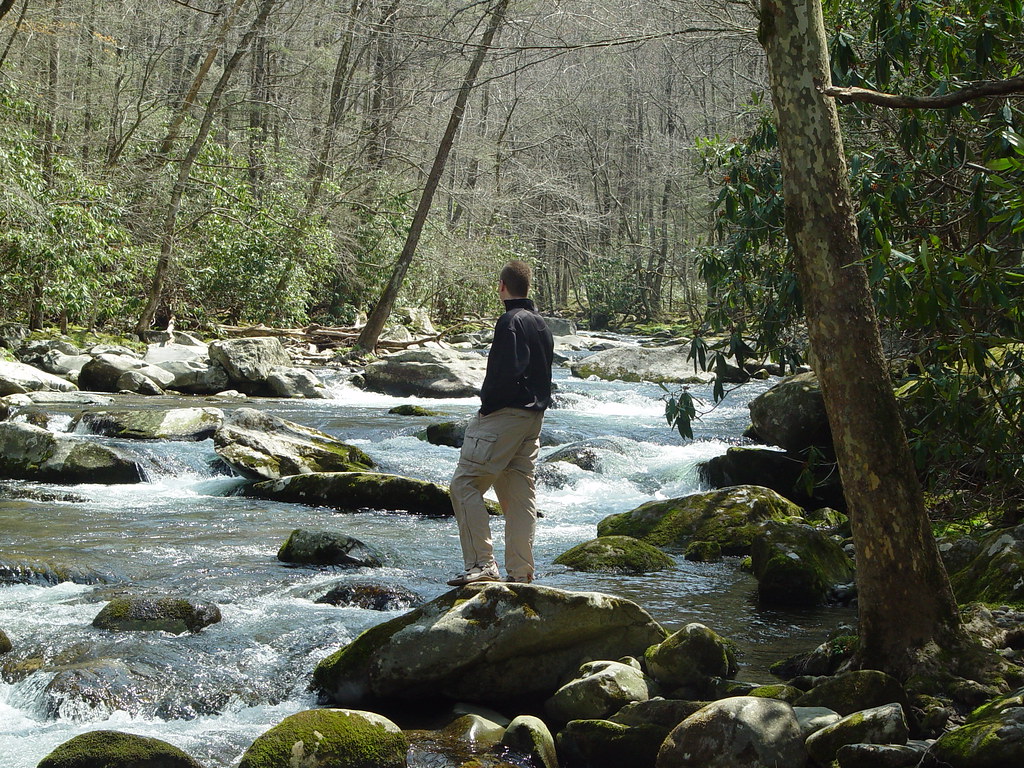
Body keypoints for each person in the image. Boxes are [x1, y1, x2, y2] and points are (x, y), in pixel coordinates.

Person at [446, 260, 554, 586]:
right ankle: (521, 573)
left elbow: (505, 373)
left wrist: (487, 409)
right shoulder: (541, 324)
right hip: (533, 419)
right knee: (518, 494)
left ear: (502, 286)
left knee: (464, 485)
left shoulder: (510, 321)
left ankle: (481, 565)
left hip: (504, 417)